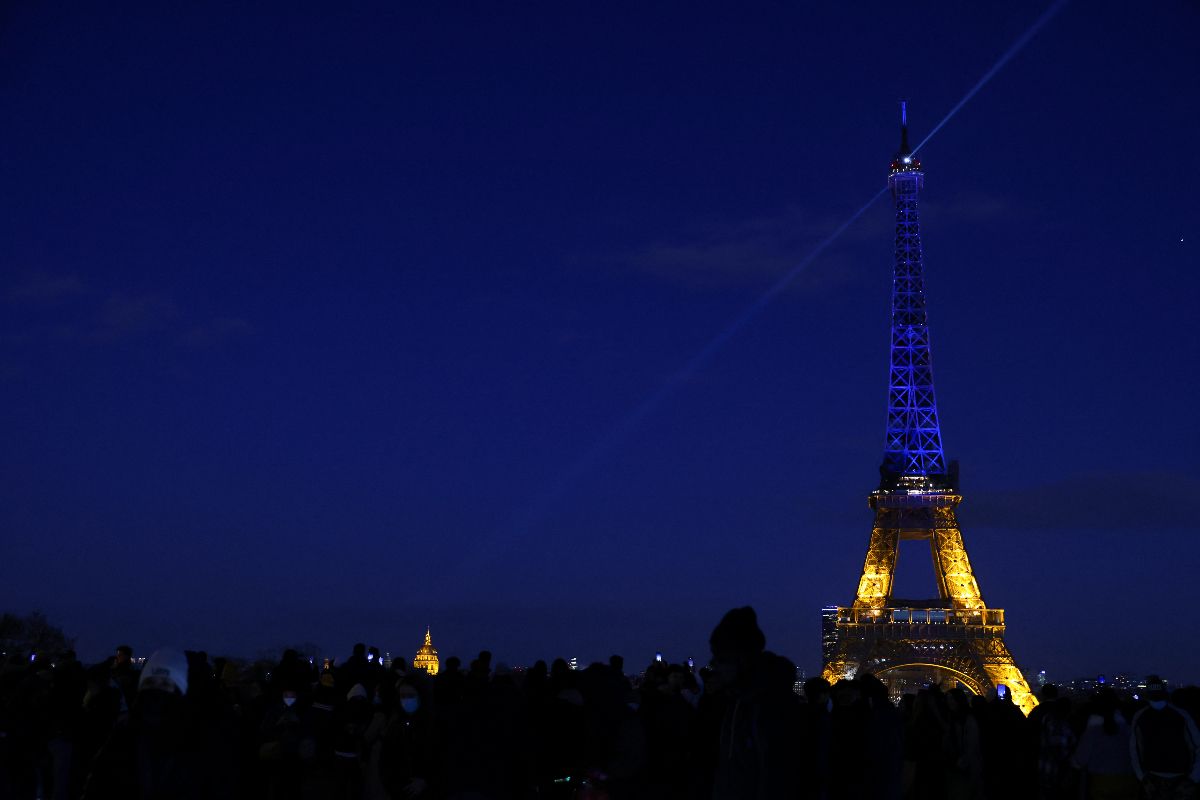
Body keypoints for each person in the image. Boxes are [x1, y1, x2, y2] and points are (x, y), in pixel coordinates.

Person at [1130, 676, 1200, 800]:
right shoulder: (1181, 715)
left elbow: (1135, 748)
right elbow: (1196, 744)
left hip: (1153, 776)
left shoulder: (1140, 716)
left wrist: (1141, 776)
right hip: (1181, 776)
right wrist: (1194, 777)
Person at [1072, 689, 1138, 800]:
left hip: (1101, 782)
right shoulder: (1128, 728)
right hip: (1129, 781)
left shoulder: (1092, 730)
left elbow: (1080, 760)